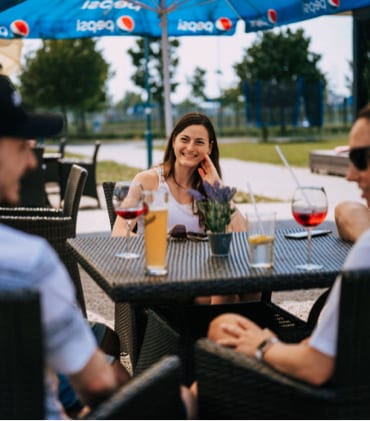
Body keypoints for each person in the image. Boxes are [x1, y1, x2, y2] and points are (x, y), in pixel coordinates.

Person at [0, 75, 195, 419]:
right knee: (185, 397)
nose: (32, 162)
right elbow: (100, 388)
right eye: (21, 146)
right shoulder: (28, 263)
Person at [199, 103, 370, 387]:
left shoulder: (367, 249)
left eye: (361, 158)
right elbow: (347, 210)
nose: (350, 174)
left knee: (222, 329)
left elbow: (315, 367)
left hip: (319, 394)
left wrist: (263, 344)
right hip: (344, 375)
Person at [112, 112, 249, 304]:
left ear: (209, 147)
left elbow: (241, 230)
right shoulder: (148, 180)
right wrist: (159, 244)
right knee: (225, 293)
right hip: (163, 275)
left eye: (199, 142)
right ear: (174, 141)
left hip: (201, 270)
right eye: (184, 139)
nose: (190, 147)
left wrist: (218, 187)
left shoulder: (207, 186)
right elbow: (119, 231)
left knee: (251, 288)